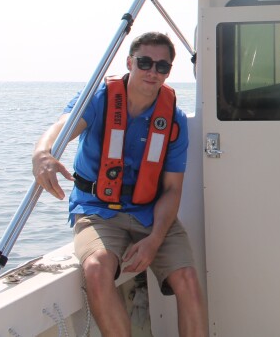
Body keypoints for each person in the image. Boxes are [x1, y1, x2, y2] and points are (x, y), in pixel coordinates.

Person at [32, 32, 207, 337]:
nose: (153, 72)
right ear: (130, 62)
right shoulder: (98, 99)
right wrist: (42, 153)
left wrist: (154, 240)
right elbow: (62, 127)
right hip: (98, 211)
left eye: (162, 67)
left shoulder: (173, 120)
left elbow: (171, 190)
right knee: (97, 269)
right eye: (145, 62)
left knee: (188, 280)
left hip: (151, 213)